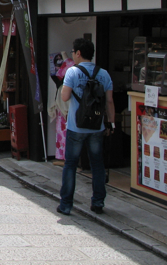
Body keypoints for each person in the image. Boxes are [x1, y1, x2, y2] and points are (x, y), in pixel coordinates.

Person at [58, 37, 115, 216]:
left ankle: (66, 204)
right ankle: (98, 202)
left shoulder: (72, 72)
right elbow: (110, 101)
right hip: (96, 126)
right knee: (97, 164)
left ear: (78, 53)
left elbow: (65, 97)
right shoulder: (104, 74)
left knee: (71, 165)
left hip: (76, 126)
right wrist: (111, 123)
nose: (73, 56)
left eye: (74, 53)